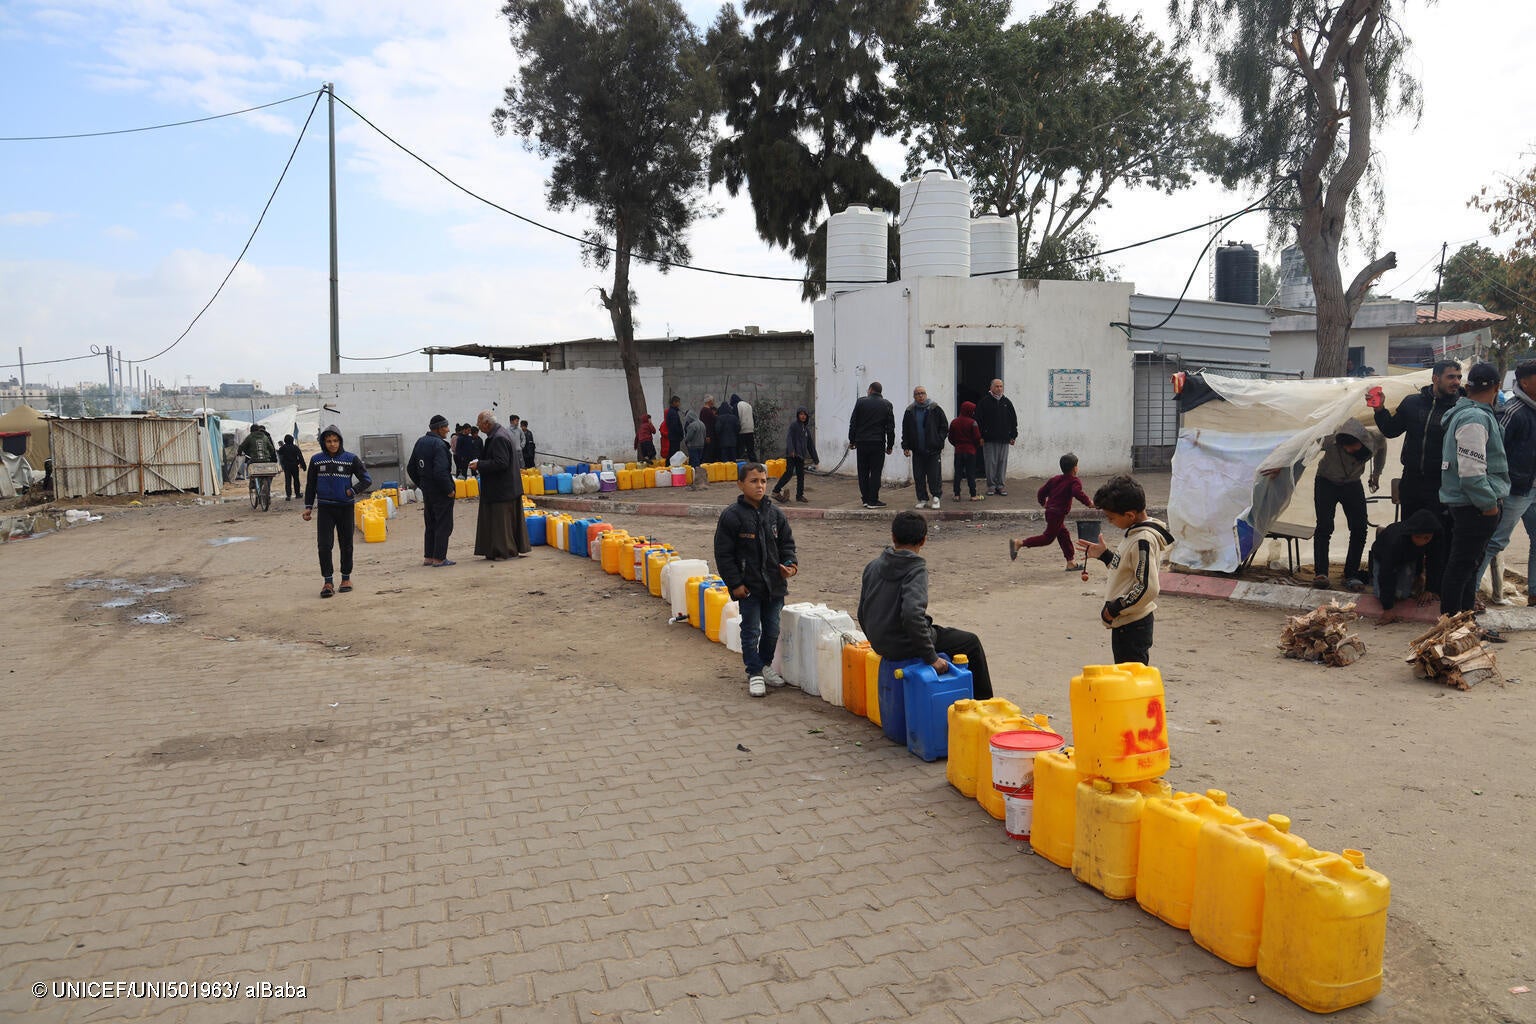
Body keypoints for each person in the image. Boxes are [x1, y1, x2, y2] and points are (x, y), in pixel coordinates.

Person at [857, 510, 994, 700]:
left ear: (893, 537)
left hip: (881, 643)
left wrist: (877, 641)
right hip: (904, 644)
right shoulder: (915, 569)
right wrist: (932, 658)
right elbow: (912, 615)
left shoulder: (873, 566)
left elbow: (862, 611)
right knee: (971, 642)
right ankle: (985, 704)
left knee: (939, 630)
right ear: (923, 540)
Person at [1371, 359, 1462, 592]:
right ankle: (1411, 581)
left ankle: (1433, 588)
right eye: (1451, 377)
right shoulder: (1412, 403)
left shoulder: (1460, 408)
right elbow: (1391, 430)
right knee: (1410, 533)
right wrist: (1379, 409)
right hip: (1411, 480)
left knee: (1438, 537)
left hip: (1440, 483)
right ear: (1435, 378)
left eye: (1459, 377)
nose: (1456, 382)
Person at [714, 462, 799, 698]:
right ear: (740, 484)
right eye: (753, 481)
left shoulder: (775, 515)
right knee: (751, 630)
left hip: (775, 586)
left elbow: (787, 545)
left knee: (772, 630)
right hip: (748, 588)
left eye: (763, 481)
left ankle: (764, 665)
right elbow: (724, 554)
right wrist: (735, 584)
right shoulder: (732, 516)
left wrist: (790, 566)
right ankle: (754, 672)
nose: (759, 486)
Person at [1437, 361, 1509, 623]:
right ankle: (1451, 627)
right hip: (1474, 506)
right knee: (1461, 567)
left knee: (1467, 567)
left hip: (1470, 504)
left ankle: (1465, 625)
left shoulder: (1470, 414)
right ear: (1497, 387)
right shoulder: (1475, 418)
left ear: (1467, 388)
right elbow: (1471, 472)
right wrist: (1489, 505)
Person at [1077, 475, 1173, 665]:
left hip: (1133, 625)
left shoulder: (1142, 539)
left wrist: (1114, 609)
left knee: (1131, 682)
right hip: (1126, 622)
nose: (1110, 522)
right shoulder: (1135, 533)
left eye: (1111, 518)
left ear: (1129, 515)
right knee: (1127, 678)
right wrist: (1105, 555)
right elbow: (1129, 571)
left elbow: (1147, 587)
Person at [1476, 359, 1536, 605]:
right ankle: (1468, 596)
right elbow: (1493, 450)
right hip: (1514, 489)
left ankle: (1534, 593)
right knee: (1494, 542)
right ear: (1524, 382)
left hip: (1532, 487)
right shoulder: (1512, 412)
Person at [1310, 418, 1385, 590]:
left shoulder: (1375, 438)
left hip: (1352, 482)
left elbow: (1382, 449)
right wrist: (1282, 465)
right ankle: (1321, 572)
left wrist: (1376, 473)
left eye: (1353, 446)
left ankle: (1351, 573)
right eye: (1346, 447)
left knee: (1359, 528)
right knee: (1324, 526)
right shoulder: (1330, 439)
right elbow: (1304, 447)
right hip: (1326, 481)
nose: (1349, 450)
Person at [302, 424, 371, 598]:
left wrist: (352, 491)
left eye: (335, 441)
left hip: (345, 507)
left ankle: (346, 578)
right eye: (328, 441)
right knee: (324, 545)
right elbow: (311, 485)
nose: (332, 444)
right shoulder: (317, 460)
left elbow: (366, 479)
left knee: (346, 544)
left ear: (340, 441)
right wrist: (308, 507)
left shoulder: (350, 459)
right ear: (323, 442)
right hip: (325, 508)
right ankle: (328, 581)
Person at [1011, 452, 1094, 569]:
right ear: (1075, 468)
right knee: (1047, 538)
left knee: (1064, 534)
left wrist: (1043, 503)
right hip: (1057, 513)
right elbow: (1077, 493)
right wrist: (1089, 503)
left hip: (1051, 512)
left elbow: (1041, 492)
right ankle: (1020, 543)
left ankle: (1070, 562)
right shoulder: (1074, 481)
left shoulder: (1055, 479)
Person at [470, 409, 529, 561]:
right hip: (507, 487)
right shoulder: (500, 434)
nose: (478, 427)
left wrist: (480, 465)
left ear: (487, 424)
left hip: (502, 489)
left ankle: (505, 551)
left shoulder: (498, 438)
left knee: (501, 524)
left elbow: (501, 463)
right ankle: (501, 550)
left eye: (479, 424)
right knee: (504, 523)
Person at [1371, 509, 1442, 624]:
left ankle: (1414, 580)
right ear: (1411, 533)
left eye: (1426, 538)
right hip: (1383, 556)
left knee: (1402, 595)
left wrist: (1430, 588)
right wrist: (1388, 608)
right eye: (1418, 537)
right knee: (1382, 595)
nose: (1422, 541)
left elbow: (1435, 562)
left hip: (1411, 557)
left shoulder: (1436, 538)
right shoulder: (1395, 541)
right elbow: (1387, 573)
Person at [408, 414, 456, 567]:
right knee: (443, 524)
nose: (448, 430)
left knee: (431, 523)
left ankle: (429, 557)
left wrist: (422, 484)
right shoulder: (439, 445)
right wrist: (449, 489)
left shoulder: (420, 442)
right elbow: (440, 471)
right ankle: (439, 558)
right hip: (441, 492)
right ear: (439, 428)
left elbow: (411, 468)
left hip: (428, 492)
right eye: (446, 427)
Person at [848, 381, 896, 509]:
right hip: (877, 443)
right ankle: (873, 500)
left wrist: (852, 441)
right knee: (875, 472)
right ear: (880, 391)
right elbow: (890, 428)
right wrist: (890, 445)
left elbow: (853, 423)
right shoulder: (887, 405)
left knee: (862, 471)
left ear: (870, 390)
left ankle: (865, 499)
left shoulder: (860, 402)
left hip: (862, 443)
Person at [901, 385, 949, 510]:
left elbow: (944, 427)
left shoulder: (935, 409)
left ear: (926, 394)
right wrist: (905, 446)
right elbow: (905, 430)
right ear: (914, 396)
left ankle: (936, 497)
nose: (920, 395)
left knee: (934, 475)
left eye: (922, 393)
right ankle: (922, 498)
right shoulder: (910, 411)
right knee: (919, 476)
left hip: (933, 450)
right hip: (917, 450)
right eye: (917, 394)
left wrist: (938, 440)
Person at [975, 378, 1018, 496]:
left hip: (1004, 439)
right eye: (997, 386)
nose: (999, 388)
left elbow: (1013, 420)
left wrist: (1013, 435)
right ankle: (991, 486)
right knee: (990, 463)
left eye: (1001, 386)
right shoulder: (984, 402)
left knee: (1002, 462)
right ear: (991, 388)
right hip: (989, 439)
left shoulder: (1007, 402)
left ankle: (1001, 485)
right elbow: (978, 420)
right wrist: (981, 436)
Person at [772, 407, 819, 503]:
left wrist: (815, 459)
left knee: (801, 475)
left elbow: (810, 445)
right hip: (792, 455)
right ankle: (775, 491)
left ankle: (799, 495)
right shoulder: (794, 426)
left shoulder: (806, 430)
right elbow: (789, 438)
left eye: (804, 414)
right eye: (801, 414)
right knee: (789, 473)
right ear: (798, 415)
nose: (803, 416)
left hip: (800, 456)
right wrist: (791, 450)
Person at [947, 400, 984, 501]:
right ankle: (973, 495)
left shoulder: (954, 422)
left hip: (958, 451)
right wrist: (975, 446)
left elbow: (950, 437)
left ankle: (957, 495)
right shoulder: (973, 423)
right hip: (970, 451)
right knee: (970, 474)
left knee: (958, 474)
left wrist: (957, 444)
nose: (973, 412)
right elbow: (977, 438)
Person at [683, 408, 707, 488]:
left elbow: (689, 437)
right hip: (701, 445)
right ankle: (701, 479)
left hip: (693, 446)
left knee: (694, 464)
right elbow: (704, 435)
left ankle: (696, 481)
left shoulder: (692, 426)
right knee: (699, 463)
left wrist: (685, 440)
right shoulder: (702, 424)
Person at [276, 433, 304, 502]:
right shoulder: (295, 447)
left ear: (285, 440)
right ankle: (297, 494)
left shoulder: (283, 448)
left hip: (287, 466)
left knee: (288, 480)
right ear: (292, 440)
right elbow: (300, 456)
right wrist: (303, 465)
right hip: (294, 466)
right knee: (296, 480)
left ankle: (288, 496)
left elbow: (279, 453)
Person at [733, 394, 757, 462]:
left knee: (740, 451)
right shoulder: (748, 405)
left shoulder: (736, 405)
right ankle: (755, 464)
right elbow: (753, 417)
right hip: (750, 430)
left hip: (742, 431)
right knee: (751, 450)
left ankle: (741, 466)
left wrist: (736, 430)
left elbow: (736, 418)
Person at [663, 396, 684, 460]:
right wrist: (680, 434)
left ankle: (670, 465)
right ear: (674, 402)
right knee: (674, 453)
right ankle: (670, 466)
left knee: (672, 452)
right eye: (678, 402)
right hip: (675, 437)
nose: (679, 404)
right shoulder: (673, 413)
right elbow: (674, 426)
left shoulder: (673, 411)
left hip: (674, 436)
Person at [699, 396, 719, 462]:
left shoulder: (705, 410)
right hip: (709, 436)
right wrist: (707, 436)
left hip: (708, 435)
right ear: (709, 401)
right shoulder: (706, 411)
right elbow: (706, 424)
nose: (713, 402)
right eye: (712, 400)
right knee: (708, 453)